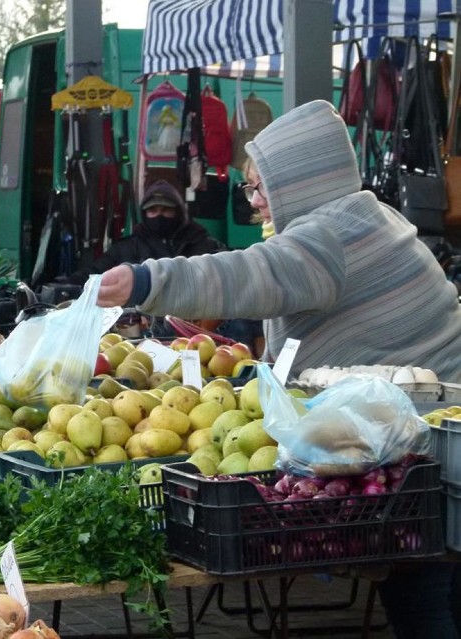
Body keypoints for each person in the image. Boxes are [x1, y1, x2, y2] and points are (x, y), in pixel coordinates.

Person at [96, 99, 461, 638]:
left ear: (301, 182)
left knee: (421, 593)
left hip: (422, 441)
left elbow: (254, 273)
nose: (256, 204)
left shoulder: (330, 236)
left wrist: (148, 281)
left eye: (261, 188)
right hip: (431, 430)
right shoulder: (363, 216)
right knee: (432, 583)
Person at [65, 179, 226, 286]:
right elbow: (95, 273)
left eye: (166, 210)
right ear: (144, 214)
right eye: (153, 210)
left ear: (179, 212)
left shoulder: (204, 243)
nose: (159, 215)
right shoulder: (126, 247)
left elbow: (227, 274)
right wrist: (68, 284)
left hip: (194, 322)